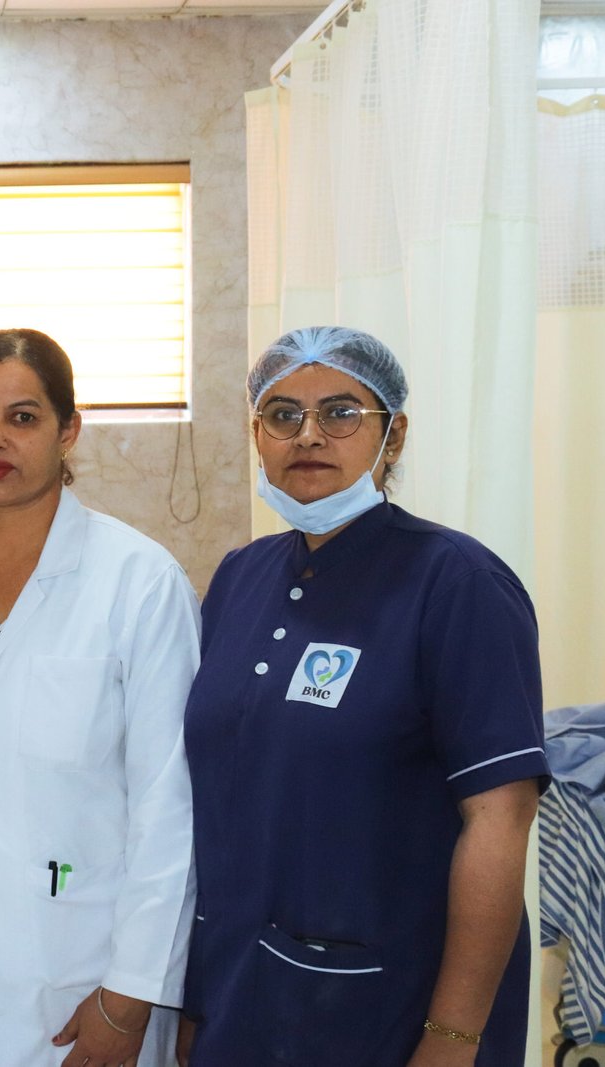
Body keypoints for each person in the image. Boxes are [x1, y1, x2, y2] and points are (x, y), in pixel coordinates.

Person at [179, 327, 547, 1066]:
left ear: (393, 435)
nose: (308, 435)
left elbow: (499, 823)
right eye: (282, 414)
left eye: (340, 412)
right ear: (257, 436)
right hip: (240, 997)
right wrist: (193, 1001)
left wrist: (452, 1038)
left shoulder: (458, 583)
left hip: (390, 1010)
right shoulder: (240, 577)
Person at [0, 328, 199, 1067]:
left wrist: (129, 996)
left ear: (68, 429)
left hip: (83, 974)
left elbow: (169, 806)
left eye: (23, 417)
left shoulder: (138, 580)